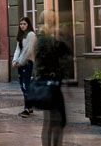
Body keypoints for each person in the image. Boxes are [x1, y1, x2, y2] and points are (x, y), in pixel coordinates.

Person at [34, 12, 71, 146]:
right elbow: (61, 53)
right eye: (53, 20)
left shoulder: (46, 37)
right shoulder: (45, 38)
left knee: (51, 120)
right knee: (56, 120)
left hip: (49, 83)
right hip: (49, 84)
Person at [12, 16, 37, 118]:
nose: (22, 26)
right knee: (23, 86)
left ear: (28, 24)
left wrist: (18, 62)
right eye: (21, 24)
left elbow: (27, 51)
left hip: (27, 63)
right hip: (20, 63)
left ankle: (26, 109)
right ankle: (30, 106)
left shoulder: (31, 35)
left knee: (25, 85)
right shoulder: (21, 35)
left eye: (24, 24)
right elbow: (18, 49)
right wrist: (14, 60)